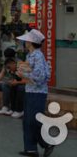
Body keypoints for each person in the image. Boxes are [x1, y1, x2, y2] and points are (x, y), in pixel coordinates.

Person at [16, 29, 53, 157]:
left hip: (37, 92)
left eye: (27, 40)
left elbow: (41, 76)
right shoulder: (31, 55)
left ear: (31, 42)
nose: (25, 42)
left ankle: (46, 143)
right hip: (31, 91)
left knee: (33, 121)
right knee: (27, 120)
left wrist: (23, 73)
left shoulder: (37, 56)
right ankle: (30, 149)